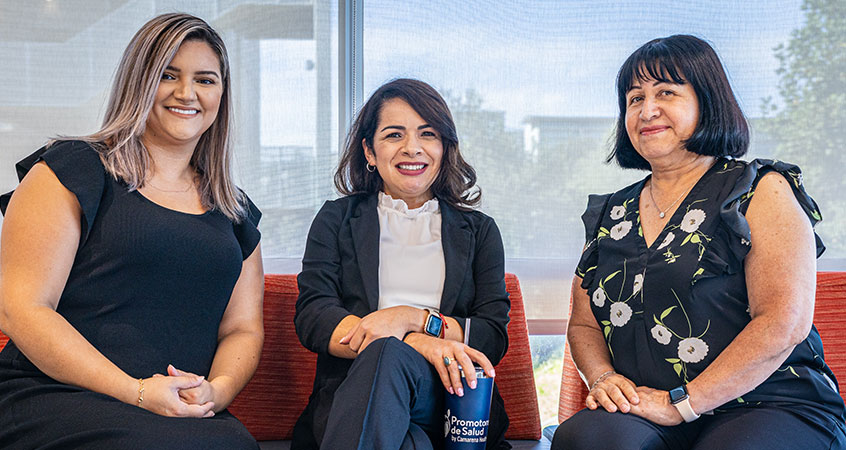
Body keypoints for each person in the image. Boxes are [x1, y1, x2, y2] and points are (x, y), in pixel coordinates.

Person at [0, 13, 263, 449]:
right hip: (51, 396)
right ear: (139, 81)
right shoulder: (73, 170)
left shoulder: (234, 210)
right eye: (168, 75)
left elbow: (242, 328)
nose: (187, 93)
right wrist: (137, 392)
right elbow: (22, 309)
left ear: (222, 94)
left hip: (174, 416)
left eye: (206, 80)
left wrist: (216, 392)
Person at [551, 34, 846, 450]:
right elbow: (584, 324)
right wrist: (602, 378)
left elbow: (783, 323)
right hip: (647, 406)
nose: (646, 109)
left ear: (708, 100)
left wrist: (683, 404)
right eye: (634, 99)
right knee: (588, 439)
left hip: (770, 403)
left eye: (666, 92)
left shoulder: (761, 190)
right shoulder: (611, 212)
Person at [291, 78, 511, 449]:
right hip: (355, 398)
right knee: (408, 436)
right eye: (394, 135)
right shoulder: (336, 220)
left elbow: (491, 335)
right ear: (369, 151)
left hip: (451, 401)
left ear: (444, 148)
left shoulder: (479, 231)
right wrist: (416, 342)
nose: (412, 148)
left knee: (389, 353)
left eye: (427, 134)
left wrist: (415, 318)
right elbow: (314, 317)